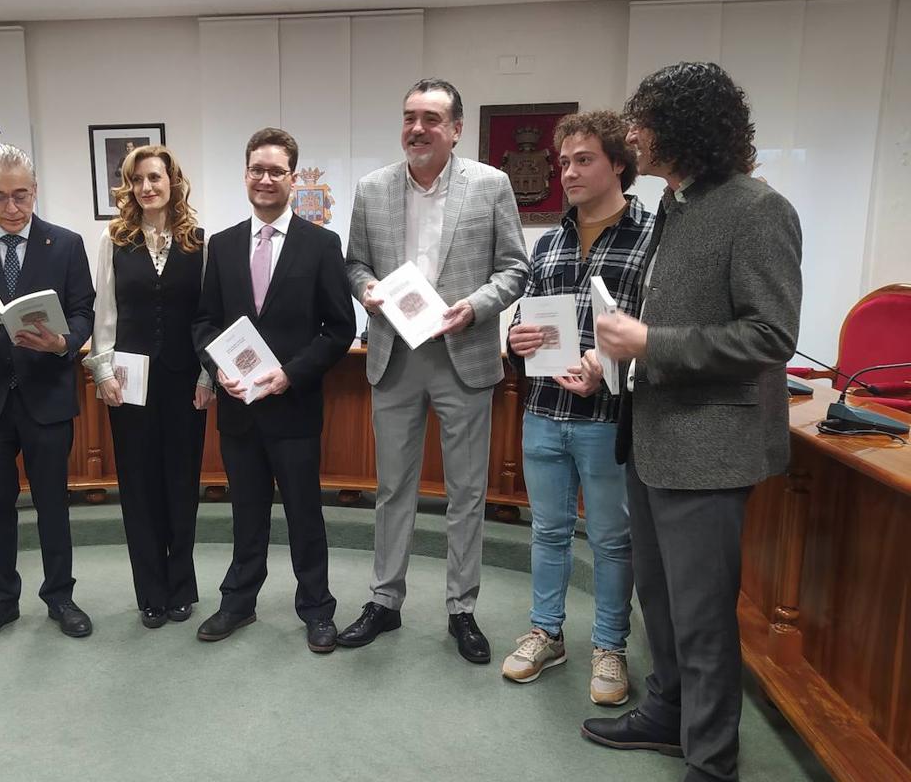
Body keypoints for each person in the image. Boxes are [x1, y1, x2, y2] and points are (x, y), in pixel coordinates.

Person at [581, 62, 802, 782]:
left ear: (688, 126)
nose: (633, 132)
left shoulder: (756, 209)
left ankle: (712, 764)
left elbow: (770, 336)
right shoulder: (674, 206)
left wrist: (649, 344)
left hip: (710, 448)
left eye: (644, 121)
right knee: (662, 604)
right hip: (651, 438)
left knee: (704, 619)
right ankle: (667, 716)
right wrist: (608, 362)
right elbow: (658, 321)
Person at [340, 78, 528, 664]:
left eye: (430, 118)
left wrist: (474, 307)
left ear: (456, 129)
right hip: (395, 355)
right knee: (393, 488)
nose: (416, 128)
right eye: (408, 117)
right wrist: (366, 287)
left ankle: (461, 609)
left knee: (466, 492)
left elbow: (514, 270)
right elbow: (356, 263)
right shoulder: (372, 189)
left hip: (463, 355)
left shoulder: (491, 186)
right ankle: (385, 600)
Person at [502, 111, 655, 706]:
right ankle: (546, 633)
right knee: (548, 530)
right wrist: (517, 337)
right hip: (542, 409)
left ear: (619, 163)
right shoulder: (550, 240)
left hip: (609, 417)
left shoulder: (651, 236)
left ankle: (610, 645)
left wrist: (604, 365)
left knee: (613, 540)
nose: (568, 172)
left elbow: (654, 330)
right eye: (563, 161)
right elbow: (532, 317)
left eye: (583, 159)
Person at [191, 127, 355, 653]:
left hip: (295, 406)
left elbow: (339, 329)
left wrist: (291, 373)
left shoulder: (321, 244)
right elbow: (205, 323)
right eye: (256, 170)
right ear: (245, 175)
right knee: (246, 513)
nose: (265, 179)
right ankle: (238, 603)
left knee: (305, 514)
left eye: (276, 171)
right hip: (239, 409)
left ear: (292, 179)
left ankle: (317, 609)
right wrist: (217, 368)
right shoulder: (222, 244)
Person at [0, 144, 96, 647]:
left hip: (46, 394)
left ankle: (60, 597)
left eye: (21, 195)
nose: (12, 207)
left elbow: (83, 311)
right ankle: (2, 601)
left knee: (53, 502)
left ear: (35, 190)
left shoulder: (65, 244)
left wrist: (64, 342)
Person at [84, 145, 213, 629]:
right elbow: (105, 312)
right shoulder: (113, 239)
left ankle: (181, 587)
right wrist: (101, 371)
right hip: (128, 382)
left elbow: (207, 317)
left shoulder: (199, 241)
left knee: (182, 484)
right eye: (138, 180)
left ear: (172, 181)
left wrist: (208, 374)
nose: (147, 187)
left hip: (185, 381)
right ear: (129, 186)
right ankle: (151, 593)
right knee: (138, 487)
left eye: (155, 177)